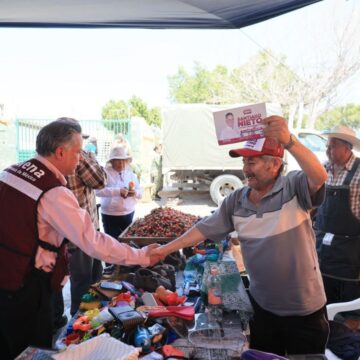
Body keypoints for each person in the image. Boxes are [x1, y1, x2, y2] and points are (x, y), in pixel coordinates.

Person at [154, 115, 329, 356]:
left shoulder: (293, 188)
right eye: (245, 162)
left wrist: (289, 141)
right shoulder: (236, 201)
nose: (245, 169)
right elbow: (203, 229)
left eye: (252, 162)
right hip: (263, 308)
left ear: (274, 164)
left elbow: (319, 176)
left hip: (304, 311)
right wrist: (163, 250)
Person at [0, 117, 161, 359]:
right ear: (60, 152)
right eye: (78, 153)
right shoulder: (53, 192)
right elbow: (93, 241)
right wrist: (142, 255)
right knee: (31, 348)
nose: (80, 159)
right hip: (26, 286)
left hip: (6, 278)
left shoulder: (11, 172)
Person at [314, 125, 360, 329]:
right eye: (327, 146)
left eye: (332, 146)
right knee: (322, 302)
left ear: (347, 148)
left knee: (349, 311)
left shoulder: (359, 174)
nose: (327, 150)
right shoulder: (323, 170)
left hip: (350, 255)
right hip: (323, 249)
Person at [66, 147, 107, 316]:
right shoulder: (77, 159)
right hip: (79, 234)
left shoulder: (70, 158)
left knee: (94, 276)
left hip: (86, 228)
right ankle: (80, 320)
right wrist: (88, 159)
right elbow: (101, 181)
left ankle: (91, 313)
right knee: (83, 279)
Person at [96, 145, 142, 274]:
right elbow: (98, 191)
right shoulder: (105, 173)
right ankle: (111, 269)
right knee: (112, 243)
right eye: (117, 160)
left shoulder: (131, 174)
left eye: (123, 160)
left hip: (128, 213)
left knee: (127, 243)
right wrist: (118, 191)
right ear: (111, 161)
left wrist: (135, 193)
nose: (120, 163)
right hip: (110, 214)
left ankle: (126, 268)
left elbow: (140, 191)